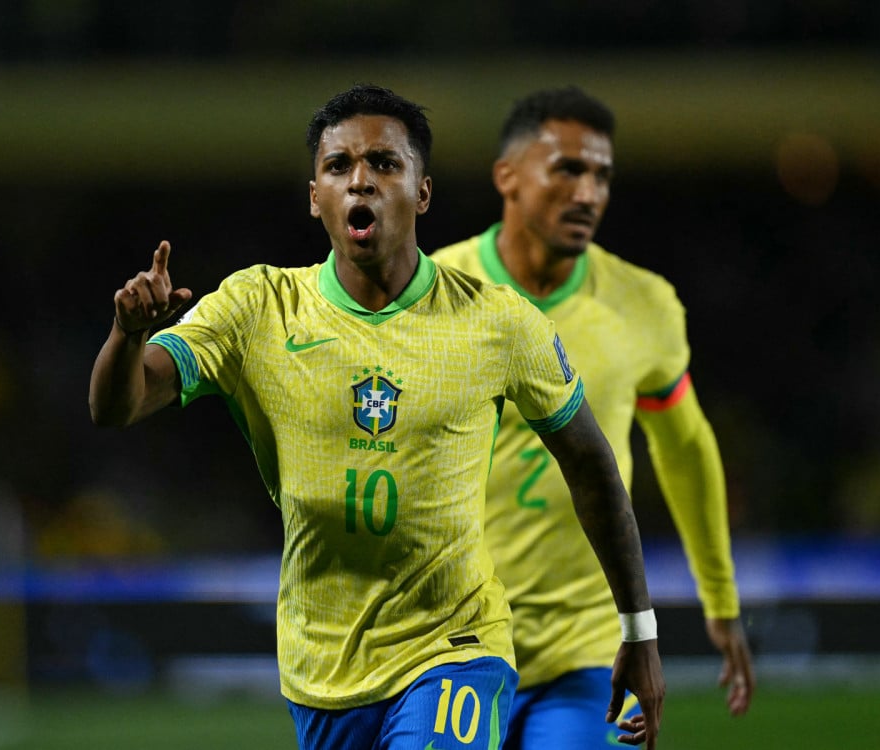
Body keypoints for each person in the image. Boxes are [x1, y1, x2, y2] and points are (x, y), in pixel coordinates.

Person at [89, 84, 664, 750]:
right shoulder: (257, 309)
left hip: (456, 647)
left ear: (421, 192)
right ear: (315, 197)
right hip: (322, 668)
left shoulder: (498, 324)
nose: (360, 181)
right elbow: (117, 406)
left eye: (384, 164)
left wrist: (639, 631)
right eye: (339, 167)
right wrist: (127, 334)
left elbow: (591, 462)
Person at [431, 86, 754, 748]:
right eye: (568, 169)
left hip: (589, 652)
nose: (588, 193)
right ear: (508, 177)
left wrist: (719, 598)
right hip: (447, 649)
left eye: (602, 176)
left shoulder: (643, 304)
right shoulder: (434, 293)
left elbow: (685, 448)